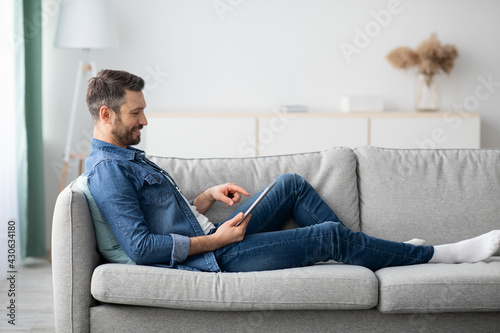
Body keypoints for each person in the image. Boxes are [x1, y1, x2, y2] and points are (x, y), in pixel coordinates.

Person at [83, 69, 500, 273]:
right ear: (107, 113)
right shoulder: (107, 170)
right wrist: (212, 242)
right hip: (215, 258)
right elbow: (140, 247)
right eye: (136, 112)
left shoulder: (124, 156)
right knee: (330, 236)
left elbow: (159, 215)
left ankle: (362, 251)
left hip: (213, 237)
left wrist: (205, 198)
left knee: (292, 185)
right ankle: (437, 255)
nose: (145, 121)